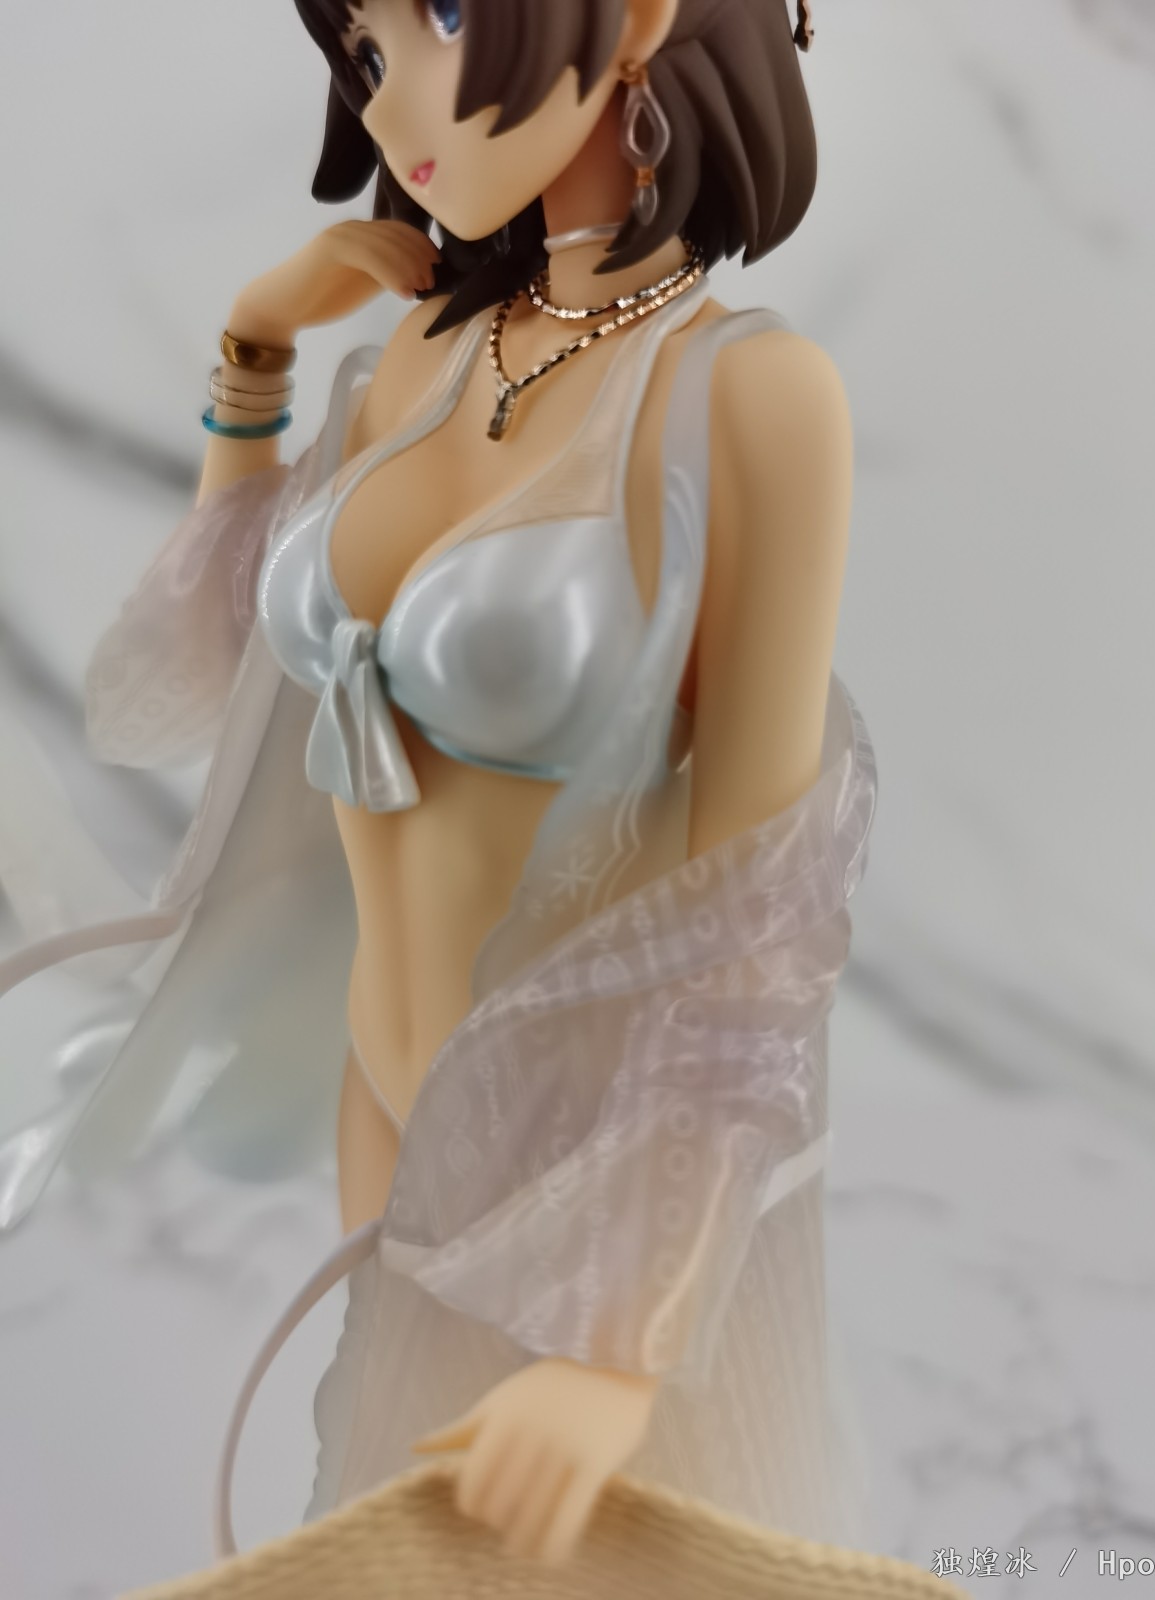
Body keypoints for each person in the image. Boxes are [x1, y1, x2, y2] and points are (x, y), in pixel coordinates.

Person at [0, 0, 878, 1572]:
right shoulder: (421, 353)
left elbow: (762, 924)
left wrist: (619, 1345)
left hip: (598, 1205)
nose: (388, 93)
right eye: (361, 47)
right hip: (388, 1151)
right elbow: (198, 674)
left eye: (447, 13)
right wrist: (255, 355)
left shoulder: (748, 396)